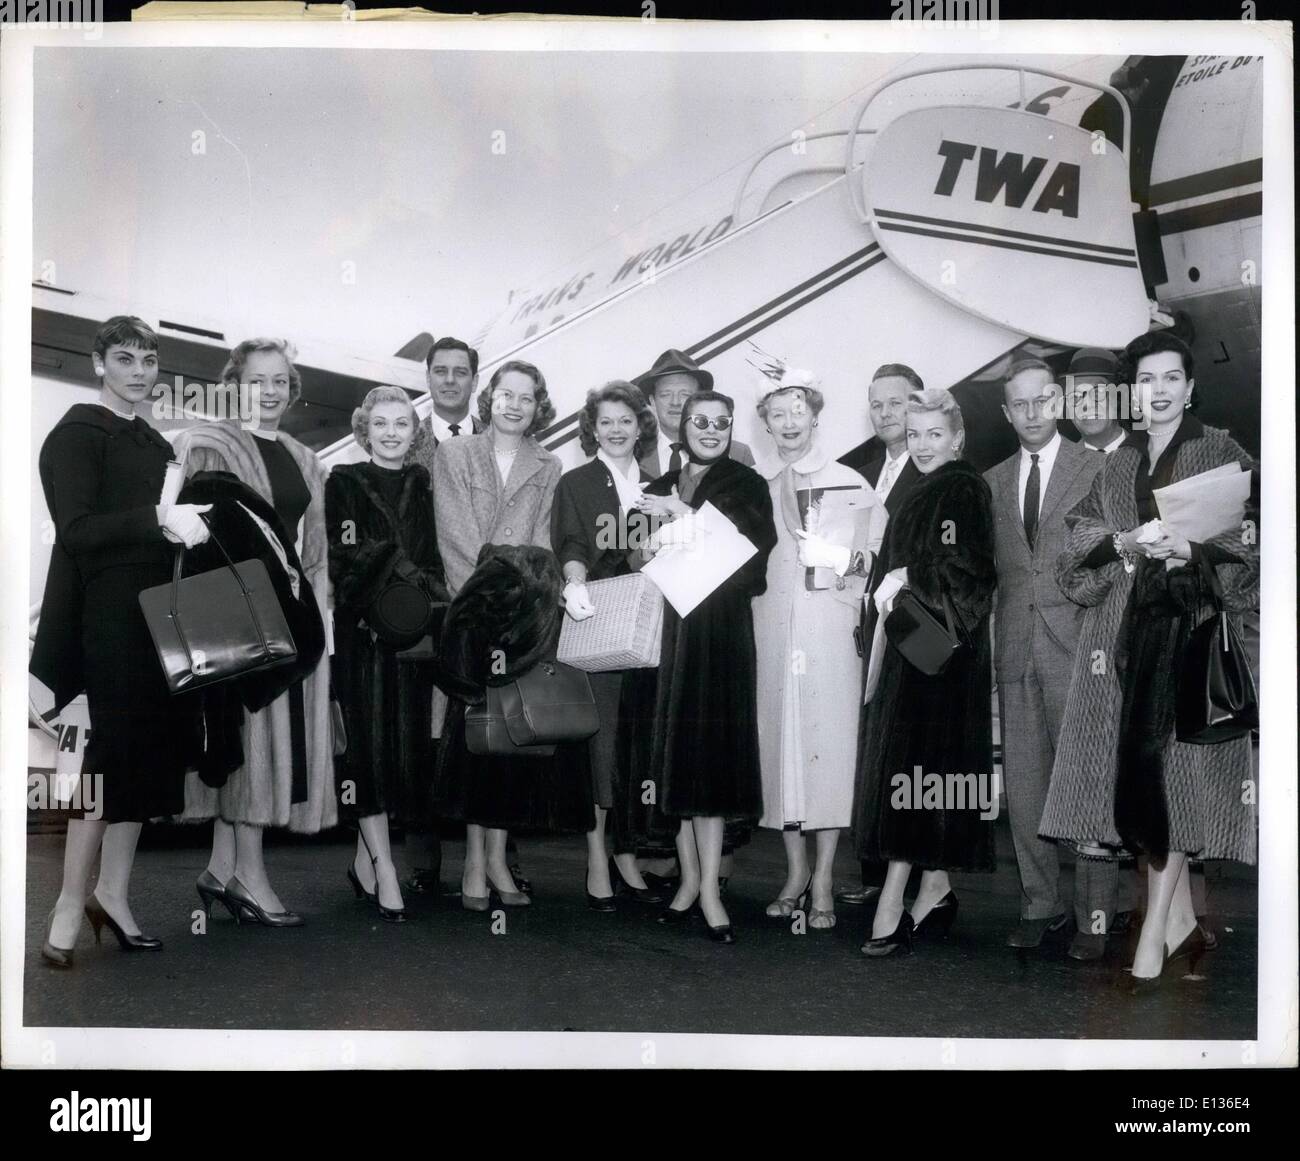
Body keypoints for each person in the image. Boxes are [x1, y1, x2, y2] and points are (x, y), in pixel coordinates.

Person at [1041, 331, 1258, 993]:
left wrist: (1193, 552)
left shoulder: (1221, 450)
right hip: (1118, 641)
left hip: (1188, 637)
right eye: (1147, 380)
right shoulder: (1113, 463)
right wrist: (1126, 541)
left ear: (1189, 387)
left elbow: (1253, 546)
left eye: (1171, 378)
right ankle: (1182, 923)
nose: (1158, 391)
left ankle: (1154, 928)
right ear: (1132, 392)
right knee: (1134, 779)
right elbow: (1074, 553)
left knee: (1172, 784)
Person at [31, 316, 210, 966]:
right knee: (103, 763)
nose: (140, 370)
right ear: (100, 363)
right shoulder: (77, 432)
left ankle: (114, 892)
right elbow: (76, 530)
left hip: (156, 611)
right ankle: (68, 902)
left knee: (145, 760)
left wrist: (179, 509)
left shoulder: (154, 442)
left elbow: (156, 531)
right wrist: (160, 516)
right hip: (100, 612)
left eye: (149, 359)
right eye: (127, 358)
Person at [177, 338, 336, 927]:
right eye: (257, 379)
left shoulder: (304, 456)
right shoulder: (207, 445)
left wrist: (319, 613)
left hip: (293, 616)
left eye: (279, 381)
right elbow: (198, 541)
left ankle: (221, 868)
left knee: (265, 741)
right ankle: (249, 874)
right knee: (245, 741)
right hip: (234, 616)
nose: (269, 391)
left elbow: (316, 549)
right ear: (234, 383)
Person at [625, 390, 778, 943]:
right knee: (676, 769)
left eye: (720, 423)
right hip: (665, 643)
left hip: (718, 644)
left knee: (708, 769)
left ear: (731, 428)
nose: (709, 430)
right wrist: (645, 539)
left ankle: (711, 890)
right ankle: (689, 883)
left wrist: (685, 518)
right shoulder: (657, 487)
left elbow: (753, 567)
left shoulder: (746, 484)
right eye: (699, 422)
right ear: (681, 428)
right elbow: (633, 558)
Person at [984, 357, 1120, 961]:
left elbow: (1116, 562)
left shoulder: (1099, 468)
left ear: (1059, 404)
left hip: (1084, 648)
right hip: (1015, 647)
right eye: (1020, 403)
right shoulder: (991, 482)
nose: (1033, 412)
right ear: (1007, 412)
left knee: (1089, 781)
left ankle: (1096, 917)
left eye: (1044, 400)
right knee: (1027, 785)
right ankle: (1041, 905)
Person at [432, 359, 581, 907]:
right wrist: (487, 606)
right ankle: (473, 867)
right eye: (505, 394)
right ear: (488, 398)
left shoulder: (549, 462)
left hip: (521, 620)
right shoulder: (454, 454)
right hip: (473, 617)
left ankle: (497, 863)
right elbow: (454, 537)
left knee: (509, 742)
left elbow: (542, 542)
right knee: (476, 744)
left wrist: (525, 609)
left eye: (526, 397)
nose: (514, 405)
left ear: (538, 405)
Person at [855, 388, 998, 956]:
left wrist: (909, 573)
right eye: (914, 434)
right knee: (921, 771)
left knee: (914, 769)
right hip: (920, 650)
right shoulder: (929, 488)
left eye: (933, 433)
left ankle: (896, 894)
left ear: (957, 436)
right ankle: (933, 884)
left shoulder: (961, 486)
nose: (921, 444)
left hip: (940, 656)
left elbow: (968, 567)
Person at [751, 369, 885, 930]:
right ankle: (795, 872)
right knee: (781, 750)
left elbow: (874, 559)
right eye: (777, 413)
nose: (788, 423)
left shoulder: (852, 483)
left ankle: (826, 875)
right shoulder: (756, 485)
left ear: (815, 415)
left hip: (829, 634)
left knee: (828, 751)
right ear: (766, 422)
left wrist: (840, 559)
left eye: (797, 411)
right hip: (772, 633)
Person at [327, 386, 450, 923]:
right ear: (365, 430)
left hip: (415, 631)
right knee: (369, 752)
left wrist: (426, 594)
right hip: (364, 634)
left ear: (414, 431)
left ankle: (365, 860)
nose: (393, 433)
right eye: (382, 424)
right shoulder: (344, 481)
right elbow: (345, 552)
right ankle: (386, 868)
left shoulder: (426, 482)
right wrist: (404, 575)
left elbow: (439, 552)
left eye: (402, 423)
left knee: (405, 753)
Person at [551, 381, 667, 909]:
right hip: (601, 618)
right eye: (606, 422)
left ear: (641, 425)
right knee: (602, 744)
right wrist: (573, 584)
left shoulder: (659, 484)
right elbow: (572, 545)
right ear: (591, 429)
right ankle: (598, 853)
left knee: (638, 745)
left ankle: (628, 851)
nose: (617, 430)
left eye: (626, 420)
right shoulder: (576, 482)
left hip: (653, 624)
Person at [837, 363, 925, 908]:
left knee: (909, 749)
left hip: (917, 628)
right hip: (864, 624)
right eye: (877, 404)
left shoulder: (935, 468)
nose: (886, 413)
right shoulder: (857, 471)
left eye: (897, 403)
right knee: (869, 746)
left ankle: (919, 883)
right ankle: (874, 873)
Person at [633, 348, 754, 475]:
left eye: (685, 394)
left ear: (699, 401)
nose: (675, 402)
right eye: (666, 394)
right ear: (652, 401)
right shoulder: (631, 453)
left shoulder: (738, 454)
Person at [410, 336, 485, 478]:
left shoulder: (497, 443)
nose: (450, 380)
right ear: (428, 378)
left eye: (460, 373)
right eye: (441, 371)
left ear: (474, 382)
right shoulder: (406, 447)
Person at [1066, 347, 1130, 455]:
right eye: (1075, 396)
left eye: (1097, 393)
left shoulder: (1149, 455)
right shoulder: (1058, 466)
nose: (1086, 405)